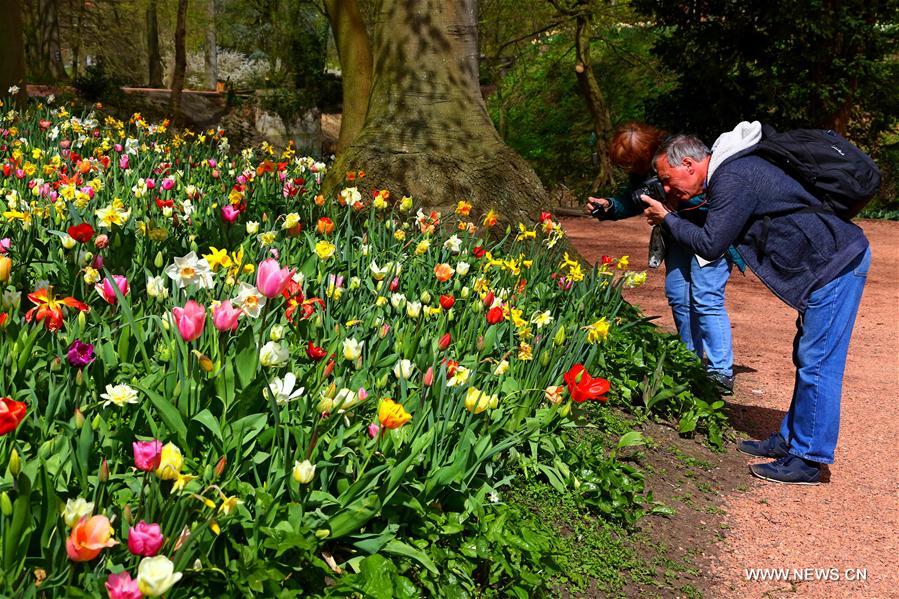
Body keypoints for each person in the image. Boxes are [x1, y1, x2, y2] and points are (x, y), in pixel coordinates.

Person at [642, 122, 870, 485]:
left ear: (689, 164)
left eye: (668, 180)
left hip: (836, 265)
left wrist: (668, 218)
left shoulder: (733, 178)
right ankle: (791, 439)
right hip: (826, 267)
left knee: (819, 363)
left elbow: (711, 244)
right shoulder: (733, 172)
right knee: (807, 356)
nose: (668, 188)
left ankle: (808, 458)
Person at [585, 122, 737, 391]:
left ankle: (720, 371)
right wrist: (609, 207)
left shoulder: (677, 155)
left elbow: (714, 199)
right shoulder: (646, 172)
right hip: (677, 233)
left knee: (705, 296)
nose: (630, 170)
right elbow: (635, 199)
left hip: (710, 233)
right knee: (678, 293)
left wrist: (672, 203)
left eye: (631, 163)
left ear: (645, 152)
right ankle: (689, 360)